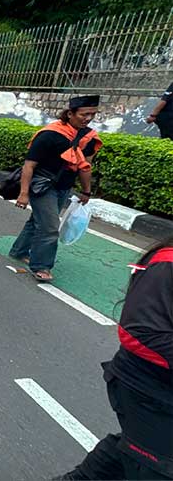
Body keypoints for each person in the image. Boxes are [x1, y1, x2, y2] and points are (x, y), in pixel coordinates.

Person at [56, 238, 173, 481]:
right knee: (157, 464)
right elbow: (140, 333)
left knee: (136, 451)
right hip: (147, 388)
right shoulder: (166, 264)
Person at [9, 95, 99, 283]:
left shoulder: (88, 138)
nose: (88, 118)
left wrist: (86, 191)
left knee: (38, 220)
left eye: (92, 114)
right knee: (50, 227)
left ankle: (19, 251)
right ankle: (41, 266)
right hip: (42, 186)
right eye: (84, 114)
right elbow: (29, 165)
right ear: (70, 113)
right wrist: (23, 194)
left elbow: (85, 166)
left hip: (64, 187)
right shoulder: (50, 135)